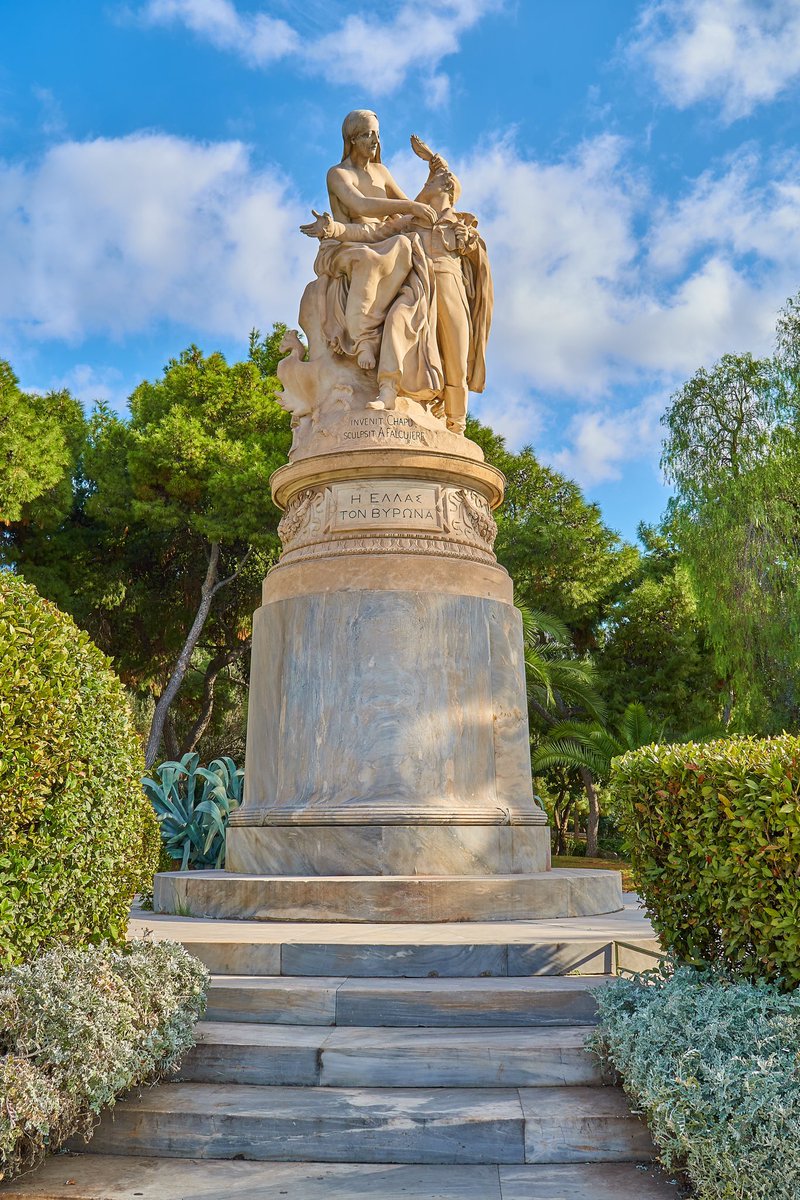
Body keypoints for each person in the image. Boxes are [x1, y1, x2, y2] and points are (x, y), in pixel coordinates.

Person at [301, 136, 492, 434]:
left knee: (456, 353)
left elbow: (475, 256)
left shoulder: (461, 225)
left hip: (450, 285)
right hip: (419, 284)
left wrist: (434, 159)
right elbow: (368, 232)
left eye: (431, 181)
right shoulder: (409, 221)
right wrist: (333, 229)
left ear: (445, 189)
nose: (423, 186)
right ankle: (387, 390)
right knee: (397, 319)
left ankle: (456, 423)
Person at [306, 111, 443, 407]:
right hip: (347, 243)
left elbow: (411, 208)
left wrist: (433, 178)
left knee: (406, 248)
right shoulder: (338, 174)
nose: (375, 141)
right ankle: (364, 340)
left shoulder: (382, 173)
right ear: (352, 138)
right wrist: (409, 207)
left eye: (377, 134)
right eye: (368, 134)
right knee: (368, 258)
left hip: (383, 240)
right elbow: (361, 204)